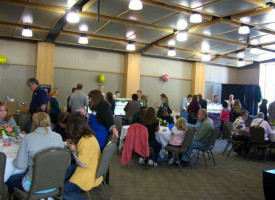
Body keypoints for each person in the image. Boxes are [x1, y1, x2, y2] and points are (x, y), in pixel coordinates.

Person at [7, 112, 64, 195]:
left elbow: (20, 165)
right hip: (54, 184)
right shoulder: (58, 137)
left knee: (11, 179)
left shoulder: (28, 138)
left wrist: (14, 161)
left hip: (34, 185)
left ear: (34, 122)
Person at [63, 114, 102, 200]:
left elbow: (82, 163)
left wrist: (73, 150)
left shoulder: (84, 141)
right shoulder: (88, 136)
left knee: (64, 193)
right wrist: (75, 143)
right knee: (67, 172)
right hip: (93, 169)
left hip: (87, 173)